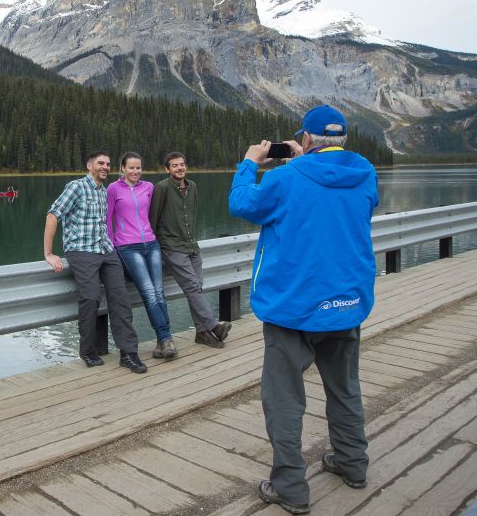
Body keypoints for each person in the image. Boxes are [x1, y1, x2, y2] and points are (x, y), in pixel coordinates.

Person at [228, 105, 379, 514]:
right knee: (345, 389)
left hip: (292, 307)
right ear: (341, 140)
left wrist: (248, 163)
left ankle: (290, 487)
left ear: (307, 139)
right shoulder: (366, 174)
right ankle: (353, 464)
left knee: (284, 399)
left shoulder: (284, 178)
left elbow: (242, 204)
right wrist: (305, 160)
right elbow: (331, 196)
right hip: (346, 302)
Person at [44, 150, 147, 374]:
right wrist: (49, 253)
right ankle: (88, 350)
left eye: (108, 164)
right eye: (100, 163)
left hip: (105, 250)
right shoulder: (76, 187)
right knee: (90, 297)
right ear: (89, 165)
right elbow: (53, 215)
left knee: (120, 297)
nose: (105, 167)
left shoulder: (103, 191)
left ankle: (128, 353)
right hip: (81, 251)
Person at [149, 152, 232, 348]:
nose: (179, 168)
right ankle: (213, 325)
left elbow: (192, 216)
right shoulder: (161, 188)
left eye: (182, 164)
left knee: (197, 288)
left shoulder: (193, 186)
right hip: (173, 248)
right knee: (193, 287)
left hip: (192, 246)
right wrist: (158, 247)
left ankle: (202, 333)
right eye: (174, 165)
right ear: (167, 169)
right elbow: (152, 220)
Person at [107, 152, 177, 360]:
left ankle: (162, 342)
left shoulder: (148, 187)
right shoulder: (113, 189)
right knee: (148, 291)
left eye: (138, 168)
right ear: (122, 168)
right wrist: (112, 247)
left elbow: (155, 215)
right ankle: (165, 338)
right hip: (127, 247)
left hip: (151, 244)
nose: (135, 171)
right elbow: (107, 219)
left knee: (159, 291)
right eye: (131, 168)